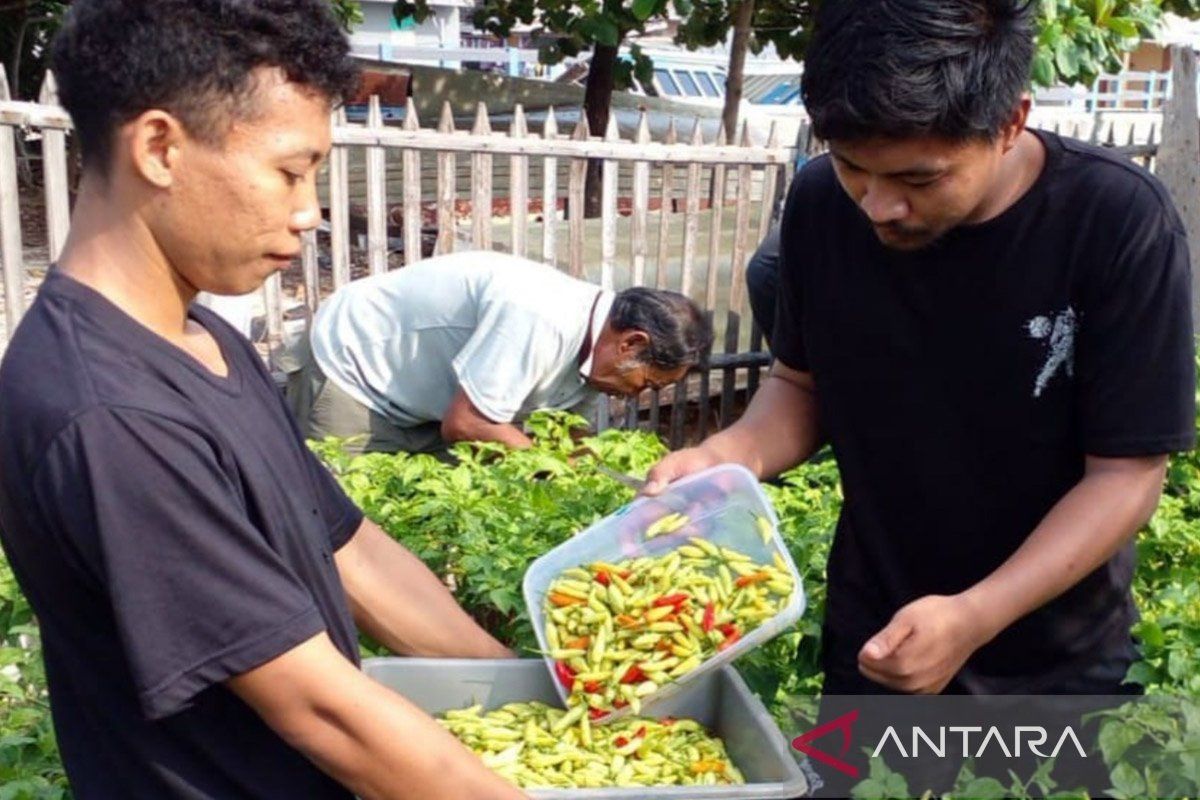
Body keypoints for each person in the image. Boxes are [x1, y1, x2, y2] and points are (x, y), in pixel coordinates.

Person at [0, 2, 528, 798]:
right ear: (159, 148)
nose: (310, 210)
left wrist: (527, 689)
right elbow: (321, 709)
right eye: (290, 170)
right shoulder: (108, 415)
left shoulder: (200, 334)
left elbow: (348, 550)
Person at [646, 0, 1194, 705]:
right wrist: (725, 458)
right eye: (852, 167)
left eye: (918, 180)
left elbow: (1126, 475)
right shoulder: (820, 203)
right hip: (872, 641)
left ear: (1011, 123)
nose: (876, 206)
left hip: (1054, 666)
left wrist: (976, 614)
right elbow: (800, 384)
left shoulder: (1118, 221)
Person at [293, 251, 713, 454]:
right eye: (646, 384)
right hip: (355, 370)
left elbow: (565, 434)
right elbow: (467, 423)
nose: (636, 396)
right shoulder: (539, 318)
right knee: (351, 533)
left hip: (428, 401)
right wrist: (556, 469)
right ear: (632, 343)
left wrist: (600, 475)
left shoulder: (598, 352)